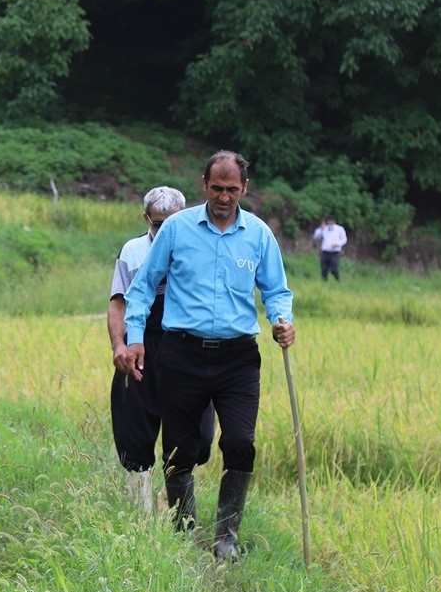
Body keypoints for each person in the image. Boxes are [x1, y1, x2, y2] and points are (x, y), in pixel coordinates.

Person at [119, 150, 295, 560]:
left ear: (244, 189)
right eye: (217, 188)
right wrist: (135, 336)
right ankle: (183, 532)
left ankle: (227, 537)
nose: (223, 197)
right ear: (204, 185)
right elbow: (143, 287)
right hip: (182, 354)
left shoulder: (258, 234)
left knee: (240, 441)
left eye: (232, 189)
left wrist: (282, 320)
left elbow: (276, 290)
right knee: (180, 448)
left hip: (238, 358)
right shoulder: (177, 229)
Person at [108, 186, 215, 513]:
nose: (165, 230)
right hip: (143, 348)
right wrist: (118, 346)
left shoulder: (205, 249)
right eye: (157, 224)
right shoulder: (133, 251)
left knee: (198, 435)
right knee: (135, 434)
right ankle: (139, 522)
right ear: (146, 219)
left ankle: (173, 505)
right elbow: (118, 304)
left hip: (189, 350)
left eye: (172, 222)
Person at [313, 215, 348, 282]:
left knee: (334, 268)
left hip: (335, 252)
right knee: (324, 269)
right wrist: (321, 229)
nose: (330, 222)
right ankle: (324, 283)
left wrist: (338, 244)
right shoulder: (324, 229)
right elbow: (316, 237)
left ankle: (338, 280)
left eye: (331, 221)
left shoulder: (340, 229)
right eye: (328, 221)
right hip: (325, 252)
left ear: (334, 221)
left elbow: (344, 239)